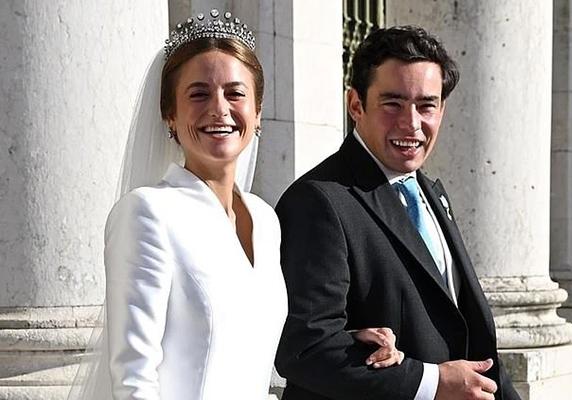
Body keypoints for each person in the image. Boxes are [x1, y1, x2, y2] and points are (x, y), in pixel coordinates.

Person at [68, 10, 402, 400]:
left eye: (235, 93)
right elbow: (134, 379)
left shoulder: (265, 219)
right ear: (169, 114)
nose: (219, 109)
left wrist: (351, 345)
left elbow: (251, 344)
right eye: (199, 94)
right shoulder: (147, 214)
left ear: (257, 113)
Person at [274, 26, 521, 400]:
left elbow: (469, 331)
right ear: (355, 105)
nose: (412, 123)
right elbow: (306, 348)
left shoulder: (431, 192)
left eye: (426, 105)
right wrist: (431, 382)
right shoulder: (317, 202)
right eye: (392, 103)